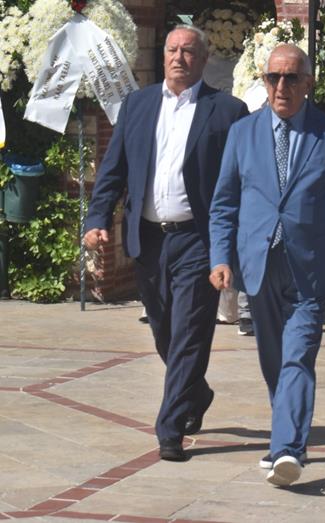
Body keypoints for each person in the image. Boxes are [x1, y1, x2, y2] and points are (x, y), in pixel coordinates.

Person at [83, 25, 249, 462]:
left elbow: (239, 181)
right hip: (149, 239)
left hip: (198, 238)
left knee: (191, 332)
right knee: (164, 332)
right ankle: (197, 392)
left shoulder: (227, 111)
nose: (179, 57)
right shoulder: (137, 105)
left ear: (203, 59)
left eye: (188, 51)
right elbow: (113, 170)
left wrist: (232, 244)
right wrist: (97, 218)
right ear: (163, 56)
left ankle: (169, 428)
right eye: (172, 50)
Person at [208, 44, 325, 487]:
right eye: (273, 77)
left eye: (291, 77)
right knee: (273, 358)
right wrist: (220, 257)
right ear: (264, 82)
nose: (281, 86)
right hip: (258, 264)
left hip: (310, 269)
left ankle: (287, 448)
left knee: (297, 355)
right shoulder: (242, 134)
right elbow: (224, 204)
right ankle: (286, 430)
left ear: (308, 84)